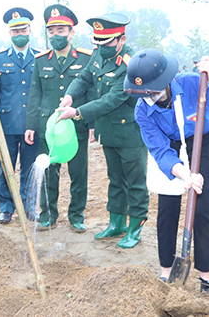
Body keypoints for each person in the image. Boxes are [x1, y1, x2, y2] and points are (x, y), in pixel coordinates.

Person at [124, 49, 209, 294]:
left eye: (151, 93)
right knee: (167, 207)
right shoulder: (142, 111)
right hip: (171, 147)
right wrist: (185, 175)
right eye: (142, 94)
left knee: (202, 208)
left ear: (165, 82)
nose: (148, 98)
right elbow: (160, 151)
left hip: (204, 142)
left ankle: (207, 276)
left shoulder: (195, 83)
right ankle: (167, 272)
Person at [57, 13, 148, 249]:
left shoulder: (132, 64)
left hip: (130, 135)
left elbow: (112, 99)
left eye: (107, 43)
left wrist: (77, 112)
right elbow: (85, 77)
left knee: (135, 182)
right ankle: (116, 223)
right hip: (108, 132)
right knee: (115, 180)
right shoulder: (99, 53)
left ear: (121, 39)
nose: (101, 48)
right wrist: (69, 95)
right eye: (97, 43)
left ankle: (135, 228)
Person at [24, 5, 93, 232]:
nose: (56, 35)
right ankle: (48, 214)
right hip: (48, 128)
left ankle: (76, 216)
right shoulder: (41, 60)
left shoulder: (86, 59)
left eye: (61, 30)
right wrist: (31, 126)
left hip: (76, 126)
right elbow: (35, 94)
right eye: (51, 31)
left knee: (78, 173)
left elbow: (92, 93)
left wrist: (92, 124)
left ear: (71, 32)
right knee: (49, 174)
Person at [0, 8, 41, 224]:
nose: (20, 33)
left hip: (32, 124)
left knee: (30, 168)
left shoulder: (39, 57)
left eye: (24, 29)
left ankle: (29, 206)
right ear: (9, 34)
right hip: (7, 124)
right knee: (6, 168)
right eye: (15, 31)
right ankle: (6, 208)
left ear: (30, 31)